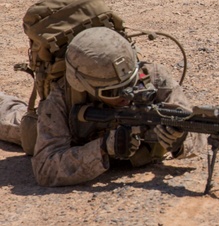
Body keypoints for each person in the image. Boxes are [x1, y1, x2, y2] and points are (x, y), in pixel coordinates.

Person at [0, 27, 204, 187]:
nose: (125, 97)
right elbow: (45, 168)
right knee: (19, 126)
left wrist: (178, 140)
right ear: (84, 86)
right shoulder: (61, 98)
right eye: (113, 92)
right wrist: (102, 148)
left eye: (130, 85)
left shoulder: (154, 77)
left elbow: (195, 132)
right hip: (72, 136)